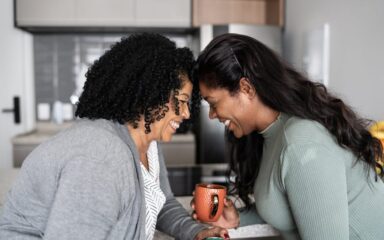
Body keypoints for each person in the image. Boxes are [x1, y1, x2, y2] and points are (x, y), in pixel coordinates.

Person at [0, 33, 229, 240]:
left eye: (188, 103)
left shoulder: (147, 144)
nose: (187, 113)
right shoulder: (102, 156)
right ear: (149, 94)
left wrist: (196, 231)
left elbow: (163, 203)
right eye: (180, 101)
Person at [192, 33, 384, 239]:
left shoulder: (301, 144)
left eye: (213, 103)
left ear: (246, 89)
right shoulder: (270, 136)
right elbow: (291, 206)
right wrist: (237, 218)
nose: (212, 115)